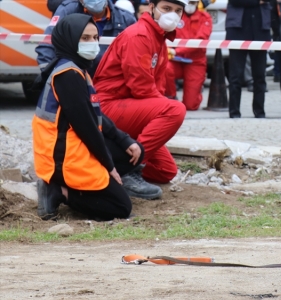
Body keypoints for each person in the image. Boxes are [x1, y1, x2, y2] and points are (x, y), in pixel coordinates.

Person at [32, 14, 145, 221]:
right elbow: (88, 129)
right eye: (85, 38)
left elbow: (94, 115)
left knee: (134, 152)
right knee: (121, 207)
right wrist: (109, 166)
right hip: (60, 157)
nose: (92, 44)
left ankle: (90, 186)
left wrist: (124, 139)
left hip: (68, 145)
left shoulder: (76, 68)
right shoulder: (68, 76)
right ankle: (61, 191)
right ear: (69, 39)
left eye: (95, 38)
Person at [92, 0, 188, 191]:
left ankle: (109, 165)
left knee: (165, 171)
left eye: (178, 11)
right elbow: (141, 88)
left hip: (129, 106)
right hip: (109, 106)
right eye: (167, 8)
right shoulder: (139, 35)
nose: (173, 15)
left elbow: (155, 88)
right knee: (175, 110)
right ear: (151, 8)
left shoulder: (158, 37)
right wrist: (163, 112)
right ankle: (124, 170)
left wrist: (157, 111)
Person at [36, 0, 137, 77]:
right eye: (86, 37)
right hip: (75, 80)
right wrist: (55, 76)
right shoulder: (67, 11)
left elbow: (136, 58)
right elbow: (47, 46)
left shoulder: (126, 19)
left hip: (109, 86)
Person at [226, 0, 271, 118]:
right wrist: (257, 2)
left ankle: (259, 112)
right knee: (236, 76)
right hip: (237, 30)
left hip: (260, 30)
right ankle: (234, 112)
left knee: (260, 76)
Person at [167, 0, 212, 110]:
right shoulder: (174, 16)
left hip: (195, 61)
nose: (190, 5)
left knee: (191, 105)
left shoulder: (205, 18)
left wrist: (177, 51)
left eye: (193, 2)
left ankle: (194, 95)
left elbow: (200, 41)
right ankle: (170, 97)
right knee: (164, 68)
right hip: (174, 60)